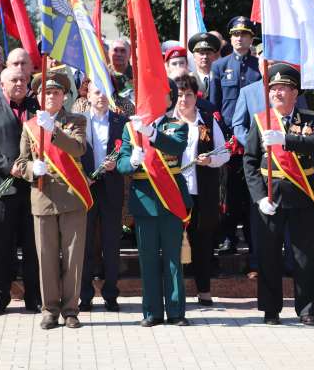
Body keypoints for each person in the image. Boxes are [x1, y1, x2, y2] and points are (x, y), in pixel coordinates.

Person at [243, 64, 314, 326]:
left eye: (282, 88)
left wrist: (285, 139)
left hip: (301, 196)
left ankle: (307, 310)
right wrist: (259, 197)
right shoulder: (260, 120)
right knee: (268, 256)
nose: (277, 93)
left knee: (304, 257)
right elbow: (250, 161)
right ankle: (270, 310)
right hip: (270, 197)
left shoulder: (310, 118)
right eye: (273, 88)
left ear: (295, 92)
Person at [14, 71, 89, 329]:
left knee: (72, 257)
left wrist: (53, 131)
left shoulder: (76, 120)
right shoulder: (29, 126)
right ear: (38, 96)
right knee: (45, 256)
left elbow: (79, 148)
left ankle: (71, 310)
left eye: (57, 93)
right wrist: (31, 169)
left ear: (64, 97)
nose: (52, 96)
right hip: (43, 196)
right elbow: (20, 162)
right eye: (47, 92)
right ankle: (49, 310)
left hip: (71, 196)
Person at [117, 80, 192, 327]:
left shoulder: (177, 125)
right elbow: (121, 164)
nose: (155, 101)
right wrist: (134, 162)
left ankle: (176, 312)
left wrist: (150, 133)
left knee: (172, 259)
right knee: (147, 259)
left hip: (171, 199)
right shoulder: (130, 129)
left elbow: (176, 146)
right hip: (144, 200)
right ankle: (151, 312)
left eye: (162, 97)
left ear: (169, 101)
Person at [0, 67, 41, 316]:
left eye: (23, 80)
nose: (20, 83)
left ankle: (33, 296)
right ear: (2, 85)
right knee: (2, 246)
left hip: (35, 188)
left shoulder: (37, 110)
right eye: (14, 80)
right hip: (4, 188)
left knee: (34, 246)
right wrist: (7, 166)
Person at [172, 74, 229, 306]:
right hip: (173, 192)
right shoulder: (166, 121)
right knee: (173, 242)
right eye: (180, 95)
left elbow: (224, 152)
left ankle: (204, 290)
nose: (184, 99)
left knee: (202, 241)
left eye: (188, 95)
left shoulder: (206, 121)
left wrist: (210, 161)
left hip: (201, 191)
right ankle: (174, 292)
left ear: (196, 97)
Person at [209, 16, 261, 256]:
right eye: (236, 34)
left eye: (245, 34)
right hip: (229, 140)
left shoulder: (259, 66)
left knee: (253, 191)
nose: (240, 38)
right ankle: (229, 237)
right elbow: (215, 105)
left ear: (252, 38)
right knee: (228, 192)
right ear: (230, 38)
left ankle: (254, 238)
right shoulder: (220, 66)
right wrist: (222, 136)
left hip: (254, 137)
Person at [78, 81, 128, 312]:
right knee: (86, 243)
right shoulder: (78, 121)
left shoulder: (121, 121)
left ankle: (111, 294)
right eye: (96, 92)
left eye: (105, 92)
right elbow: (72, 154)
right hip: (86, 186)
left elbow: (127, 151)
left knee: (111, 244)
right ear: (88, 94)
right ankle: (85, 295)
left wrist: (115, 164)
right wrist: (82, 175)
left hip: (111, 187)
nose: (101, 97)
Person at [188, 32, 221, 99]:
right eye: (201, 53)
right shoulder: (188, 79)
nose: (205, 57)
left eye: (208, 53)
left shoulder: (221, 78)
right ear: (194, 57)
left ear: (214, 56)